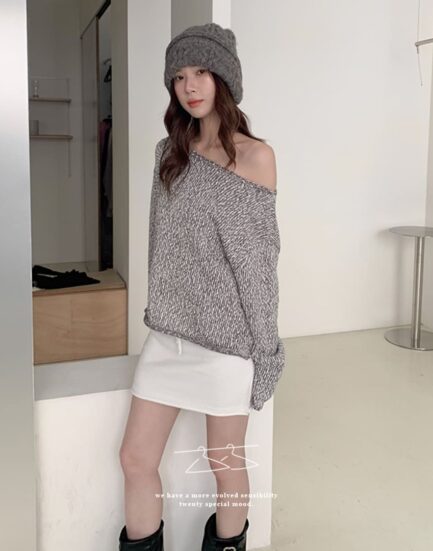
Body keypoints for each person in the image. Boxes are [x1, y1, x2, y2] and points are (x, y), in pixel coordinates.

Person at [118, 22, 285, 551]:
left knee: (224, 463)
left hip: (226, 345)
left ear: (224, 78)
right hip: (169, 336)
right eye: (179, 76)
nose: (189, 86)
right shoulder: (168, 154)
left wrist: (265, 350)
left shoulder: (255, 158)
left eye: (201, 72)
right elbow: (158, 246)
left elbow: (259, 265)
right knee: (135, 458)